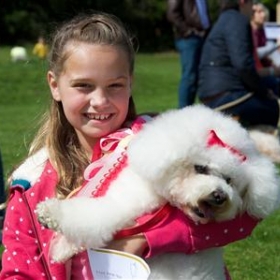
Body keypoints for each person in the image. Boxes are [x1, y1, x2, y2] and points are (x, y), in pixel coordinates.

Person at [0, 12, 260, 280]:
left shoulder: (170, 140)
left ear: (130, 82)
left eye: (115, 85)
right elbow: (19, 272)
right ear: (55, 85)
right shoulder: (31, 183)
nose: (100, 100)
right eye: (83, 86)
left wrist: (149, 240)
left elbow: (247, 211)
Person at [198, 0, 280, 129]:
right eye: (251, 3)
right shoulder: (236, 20)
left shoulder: (226, 19)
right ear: (242, 2)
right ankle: (262, 146)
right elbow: (243, 65)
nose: (253, 8)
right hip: (225, 95)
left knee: (271, 86)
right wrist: (263, 92)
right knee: (271, 106)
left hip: (216, 92)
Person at [167, 0, 211, 108]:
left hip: (203, 36)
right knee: (189, 76)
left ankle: (195, 111)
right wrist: (188, 31)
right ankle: (183, 112)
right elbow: (172, 13)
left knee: (201, 75)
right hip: (189, 38)